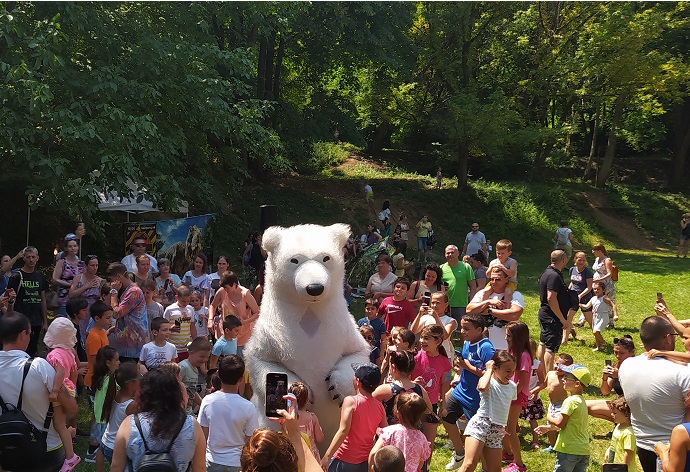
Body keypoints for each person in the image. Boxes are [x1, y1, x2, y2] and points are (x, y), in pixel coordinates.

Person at [0, 311, 78, 472]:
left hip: (6, 449)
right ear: (23, 334)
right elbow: (71, 408)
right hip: (46, 449)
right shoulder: (39, 367)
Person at [619, 315, 690, 472]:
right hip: (677, 449)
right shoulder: (684, 372)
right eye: (674, 336)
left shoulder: (626, 365)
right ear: (667, 339)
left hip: (643, 444)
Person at [110, 368, 206, 472]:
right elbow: (200, 468)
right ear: (176, 394)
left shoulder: (129, 424)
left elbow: (116, 467)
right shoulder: (191, 425)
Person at [443, 312, 495, 470]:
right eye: (462, 327)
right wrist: (461, 368)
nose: (463, 331)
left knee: (479, 436)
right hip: (460, 391)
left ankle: (485, 467)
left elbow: (491, 374)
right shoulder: (467, 342)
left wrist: (468, 367)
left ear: (479, 330)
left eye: (467, 328)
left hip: (476, 398)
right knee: (445, 416)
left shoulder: (486, 348)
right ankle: (460, 453)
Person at [456, 351, 517, 472]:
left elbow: (506, 407)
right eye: (507, 371)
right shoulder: (489, 381)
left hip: (497, 431)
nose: (511, 374)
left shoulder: (512, 386)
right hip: (480, 425)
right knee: (469, 464)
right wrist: (488, 369)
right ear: (495, 368)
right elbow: (482, 387)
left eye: (513, 371)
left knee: (495, 469)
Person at [320, 364, 387, 472]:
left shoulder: (351, 401)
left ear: (358, 381)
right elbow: (385, 434)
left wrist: (327, 456)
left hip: (344, 458)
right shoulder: (380, 407)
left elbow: (343, 430)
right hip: (365, 462)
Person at [199, 355, 259, 472]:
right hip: (238, 463)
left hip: (212, 461)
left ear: (218, 374)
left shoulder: (207, 400)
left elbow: (203, 436)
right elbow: (251, 440)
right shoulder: (248, 407)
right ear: (241, 379)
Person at [535, 364, 592, 472]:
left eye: (566, 378)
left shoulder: (570, 401)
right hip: (583, 450)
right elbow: (570, 425)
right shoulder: (582, 401)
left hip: (569, 449)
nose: (563, 380)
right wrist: (548, 428)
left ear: (577, 384)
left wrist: (549, 417)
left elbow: (560, 423)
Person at [43, 317, 81, 471]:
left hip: (60, 390)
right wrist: (72, 388)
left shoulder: (54, 355)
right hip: (69, 389)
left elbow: (58, 373)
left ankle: (70, 456)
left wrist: (55, 391)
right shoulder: (69, 353)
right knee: (62, 423)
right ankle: (70, 433)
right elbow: (74, 373)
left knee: (58, 424)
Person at [411, 324, 451, 463]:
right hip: (412, 404)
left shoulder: (444, 362)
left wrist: (443, 404)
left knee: (428, 445)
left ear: (438, 341)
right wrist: (413, 382)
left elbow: (443, 385)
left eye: (426, 338)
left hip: (430, 406)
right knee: (412, 443)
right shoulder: (415, 357)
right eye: (421, 337)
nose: (422, 341)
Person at [466, 268, 526, 351]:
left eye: (498, 279)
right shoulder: (482, 293)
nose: (494, 282)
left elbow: (514, 315)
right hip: (482, 347)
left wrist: (490, 311)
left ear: (506, 279)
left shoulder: (515, 295)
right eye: (492, 279)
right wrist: (488, 302)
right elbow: (469, 310)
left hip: (504, 347)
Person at [369, 392, 431, 472]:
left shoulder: (389, 432)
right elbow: (420, 464)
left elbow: (373, 453)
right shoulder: (422, 439)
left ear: (398, 413)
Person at [501, 321, 532, 472]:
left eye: (509, 336)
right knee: (504, 426)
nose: (506, 338)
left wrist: (510, 397)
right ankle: (508, 453)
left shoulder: (524, 356)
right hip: (509, 394)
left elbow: (521, 382)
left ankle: (519, 464)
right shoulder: (512, 352)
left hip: (516, 396)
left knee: (511, 429)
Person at [7, 246, 49, 357]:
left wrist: (45, 322)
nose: (31, 260)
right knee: (18, 350)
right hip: (20, 318)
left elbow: (43, 299)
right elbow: (10, 298)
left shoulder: (40, 276)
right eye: (28, 257)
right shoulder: (16, 277)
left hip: (36, 320)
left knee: (32, 349)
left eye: (33, 257)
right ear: (24, 258)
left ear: (37, 258)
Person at [373, 350, 432, 426]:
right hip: (412, 432)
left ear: (393, 367)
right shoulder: (419, 389)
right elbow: (428, 410)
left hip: (389, 433)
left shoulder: (386, 390)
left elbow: (367, 403)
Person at [209, 271, 260, 358]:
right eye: (223, 287)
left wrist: (245, 322)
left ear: (234, 284)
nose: (225, 290)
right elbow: (213, 305)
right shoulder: (222, 291)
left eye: (227, 288)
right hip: (225, 334)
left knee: (240, 362)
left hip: (242, 335)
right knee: (225, 362)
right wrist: (210, 320)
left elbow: (257, 313)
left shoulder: (245, 294)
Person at [586, 335, 636, 422]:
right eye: (615, 352)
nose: (617, 356)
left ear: (632, 352)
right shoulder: (615, 366)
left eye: (621, 353)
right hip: (620, 405)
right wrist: (605, 378)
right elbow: (605, 392)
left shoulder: (637, 366)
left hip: (634, 406)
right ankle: (621, 423)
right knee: (586, 405)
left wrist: (619, 376)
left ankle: (626, 424)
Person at [99, 361, 140, 465]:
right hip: (115, 447)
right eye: (140, 377)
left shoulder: (115, 394)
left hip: (106, 442)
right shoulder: (131, 406)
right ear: (131, 383)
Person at [536, 250, 571, 372]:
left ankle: (541, 372)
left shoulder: (547, 272)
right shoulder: (554, 276)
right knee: (550, 349)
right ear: (563, 260)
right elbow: (551, 298)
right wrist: (562, 318)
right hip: (552, 317)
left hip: (545, 314)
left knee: (543, 342)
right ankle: (549, 376)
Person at [106, 262, 148, 361]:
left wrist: (114, 293)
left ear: (118, 277)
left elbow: (116, 313)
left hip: (133, 346)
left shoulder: (133, 292)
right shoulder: (126, 290)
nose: (111, 284)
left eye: (111, 280)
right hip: (125, 345)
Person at [87, 346, 120, 467]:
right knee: (102, 443)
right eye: (116, 360)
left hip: (100, 416)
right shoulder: (109, 380)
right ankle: (92, 454)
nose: (119, 362)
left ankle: (92, 451)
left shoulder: (102, 377)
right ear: (108, 363)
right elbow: (104, 400)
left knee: (98, 439)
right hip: (103, 417)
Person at [540, 353, 574, 453]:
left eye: (563, 367)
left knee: (559, 425)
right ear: (554, 361)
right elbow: (544, 384)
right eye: (558, 364)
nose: (559, 368)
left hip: (562, 405)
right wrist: (534, 391)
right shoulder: (550, 373)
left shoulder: (566, 379)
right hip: (552, 404)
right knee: (549, 425)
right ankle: (553, 446)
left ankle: (565, 445)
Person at [520, 339, 546, 451]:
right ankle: (514, 432)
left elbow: (543, 382)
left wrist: (535, 392)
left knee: (532, 419)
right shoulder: (519, 361)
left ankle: (536, 439)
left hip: (530, 395)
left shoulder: (537, 364)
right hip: (518, 393)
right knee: (512, 415)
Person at [288, 381, 324, 461]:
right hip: (310, 455)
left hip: (294, 455)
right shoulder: (312, 418)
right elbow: (320, 438)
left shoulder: (287, 418)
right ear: (307, 400)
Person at [441, 245, 477, 323]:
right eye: (448, 253)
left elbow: (473, 286)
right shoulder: (441, 268)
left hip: (461, 305)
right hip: (444, 305)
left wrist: (471, 302)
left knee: (460, 330)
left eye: (452, 253)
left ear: (458, 253)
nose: (450, 255)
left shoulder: (466, 267)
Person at [68, 254, 102, 338]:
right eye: (92, 265)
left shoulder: (100, 281)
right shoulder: (79, 278)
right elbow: (71, 294)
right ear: (86, 266)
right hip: (80, 309)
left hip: (93, 311)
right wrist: (86, 287)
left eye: (96, 265)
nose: (95, 268)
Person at [579, 281, 618, 352]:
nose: (596, 291)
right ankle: (599, 347)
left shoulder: (604, 298)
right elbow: (586, 306)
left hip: (603, 316)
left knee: (595, 332)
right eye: (594, 289)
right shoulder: (593, 298)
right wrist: (579, 304)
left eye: (598, 289)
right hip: (595, 317)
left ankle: (603, 343)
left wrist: (615, 315)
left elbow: (613, 305)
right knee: (596, 334)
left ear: (603, 290)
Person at [52, 234, 84, 317]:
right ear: (66, 248)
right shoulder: (62, 262)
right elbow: (55, 279)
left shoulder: (81, 263)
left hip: (78, 299)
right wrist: (69, 284)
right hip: (64, 299)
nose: (73, 248)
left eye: (75, 246)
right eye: (70, 246)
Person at [164, 285, 196, 361]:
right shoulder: (170, 309)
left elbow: (192, 327)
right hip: (173, 346)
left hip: (186, 346)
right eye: (183, 301)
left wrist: (195, 341)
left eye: (188, 301)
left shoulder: (190, 309)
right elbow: (163, 325)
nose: (186, 303)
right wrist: (170, 327)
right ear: (176, 297)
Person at [180, 337, 211, 414]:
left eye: (207, 357)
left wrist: (203, 404)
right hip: (179, 412)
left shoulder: (195, 370)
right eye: (201, 356)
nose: (204, 360)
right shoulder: (183, 367)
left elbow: (192, 390)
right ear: (191, 352)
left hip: (188, 411)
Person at [605, 396, 637, 472]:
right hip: (614, 465)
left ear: (626, 415)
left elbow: (628, 453)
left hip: (622, 468)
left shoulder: (629, 433)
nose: (612, 414)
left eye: (614, 413)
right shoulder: (618, 426)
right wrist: (609, 450)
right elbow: (614, 442)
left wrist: (622, 468)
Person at [568, 252, 594, 338]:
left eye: (583, 260)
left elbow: (589, 287)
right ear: (575, 260)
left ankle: (598, 337)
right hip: (573, 296)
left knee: (590, 320)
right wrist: (568, 291)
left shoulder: (587, 272)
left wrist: (580, 296)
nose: (581, 262)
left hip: (585, 297)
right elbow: (572, 282)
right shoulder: (572, 269)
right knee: (568, 317)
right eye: (579, 260)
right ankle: (565, 338)